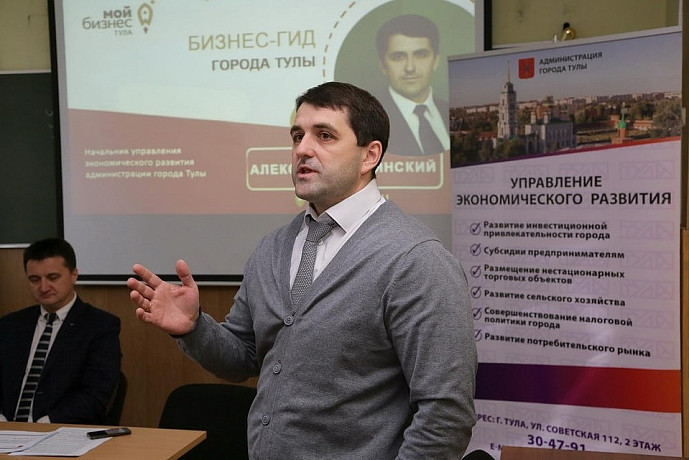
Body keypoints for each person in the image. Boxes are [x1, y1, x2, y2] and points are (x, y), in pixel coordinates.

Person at [127, 81, 476, 458]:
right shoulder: (272, 248)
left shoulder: (416, 259)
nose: (302, 149)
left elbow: (446, 415)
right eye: (297, 136)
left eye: (324, 135)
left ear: (369, 155)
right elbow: (242, 359)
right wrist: (194, 328)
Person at [0, 238, 122, 424]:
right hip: (8, 430)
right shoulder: (10, 325)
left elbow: (95, 394)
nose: (43, 287)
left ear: (74, 275)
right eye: (34, 279)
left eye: (52, 277)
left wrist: (46, 424)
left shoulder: (100, 326)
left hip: (60, 428)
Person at [376, 14, 450, 156]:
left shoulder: (450, 111)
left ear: (435, 60)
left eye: (421, 55)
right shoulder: (368, 119)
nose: (410, 68)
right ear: (383, 65)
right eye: (398, 57)